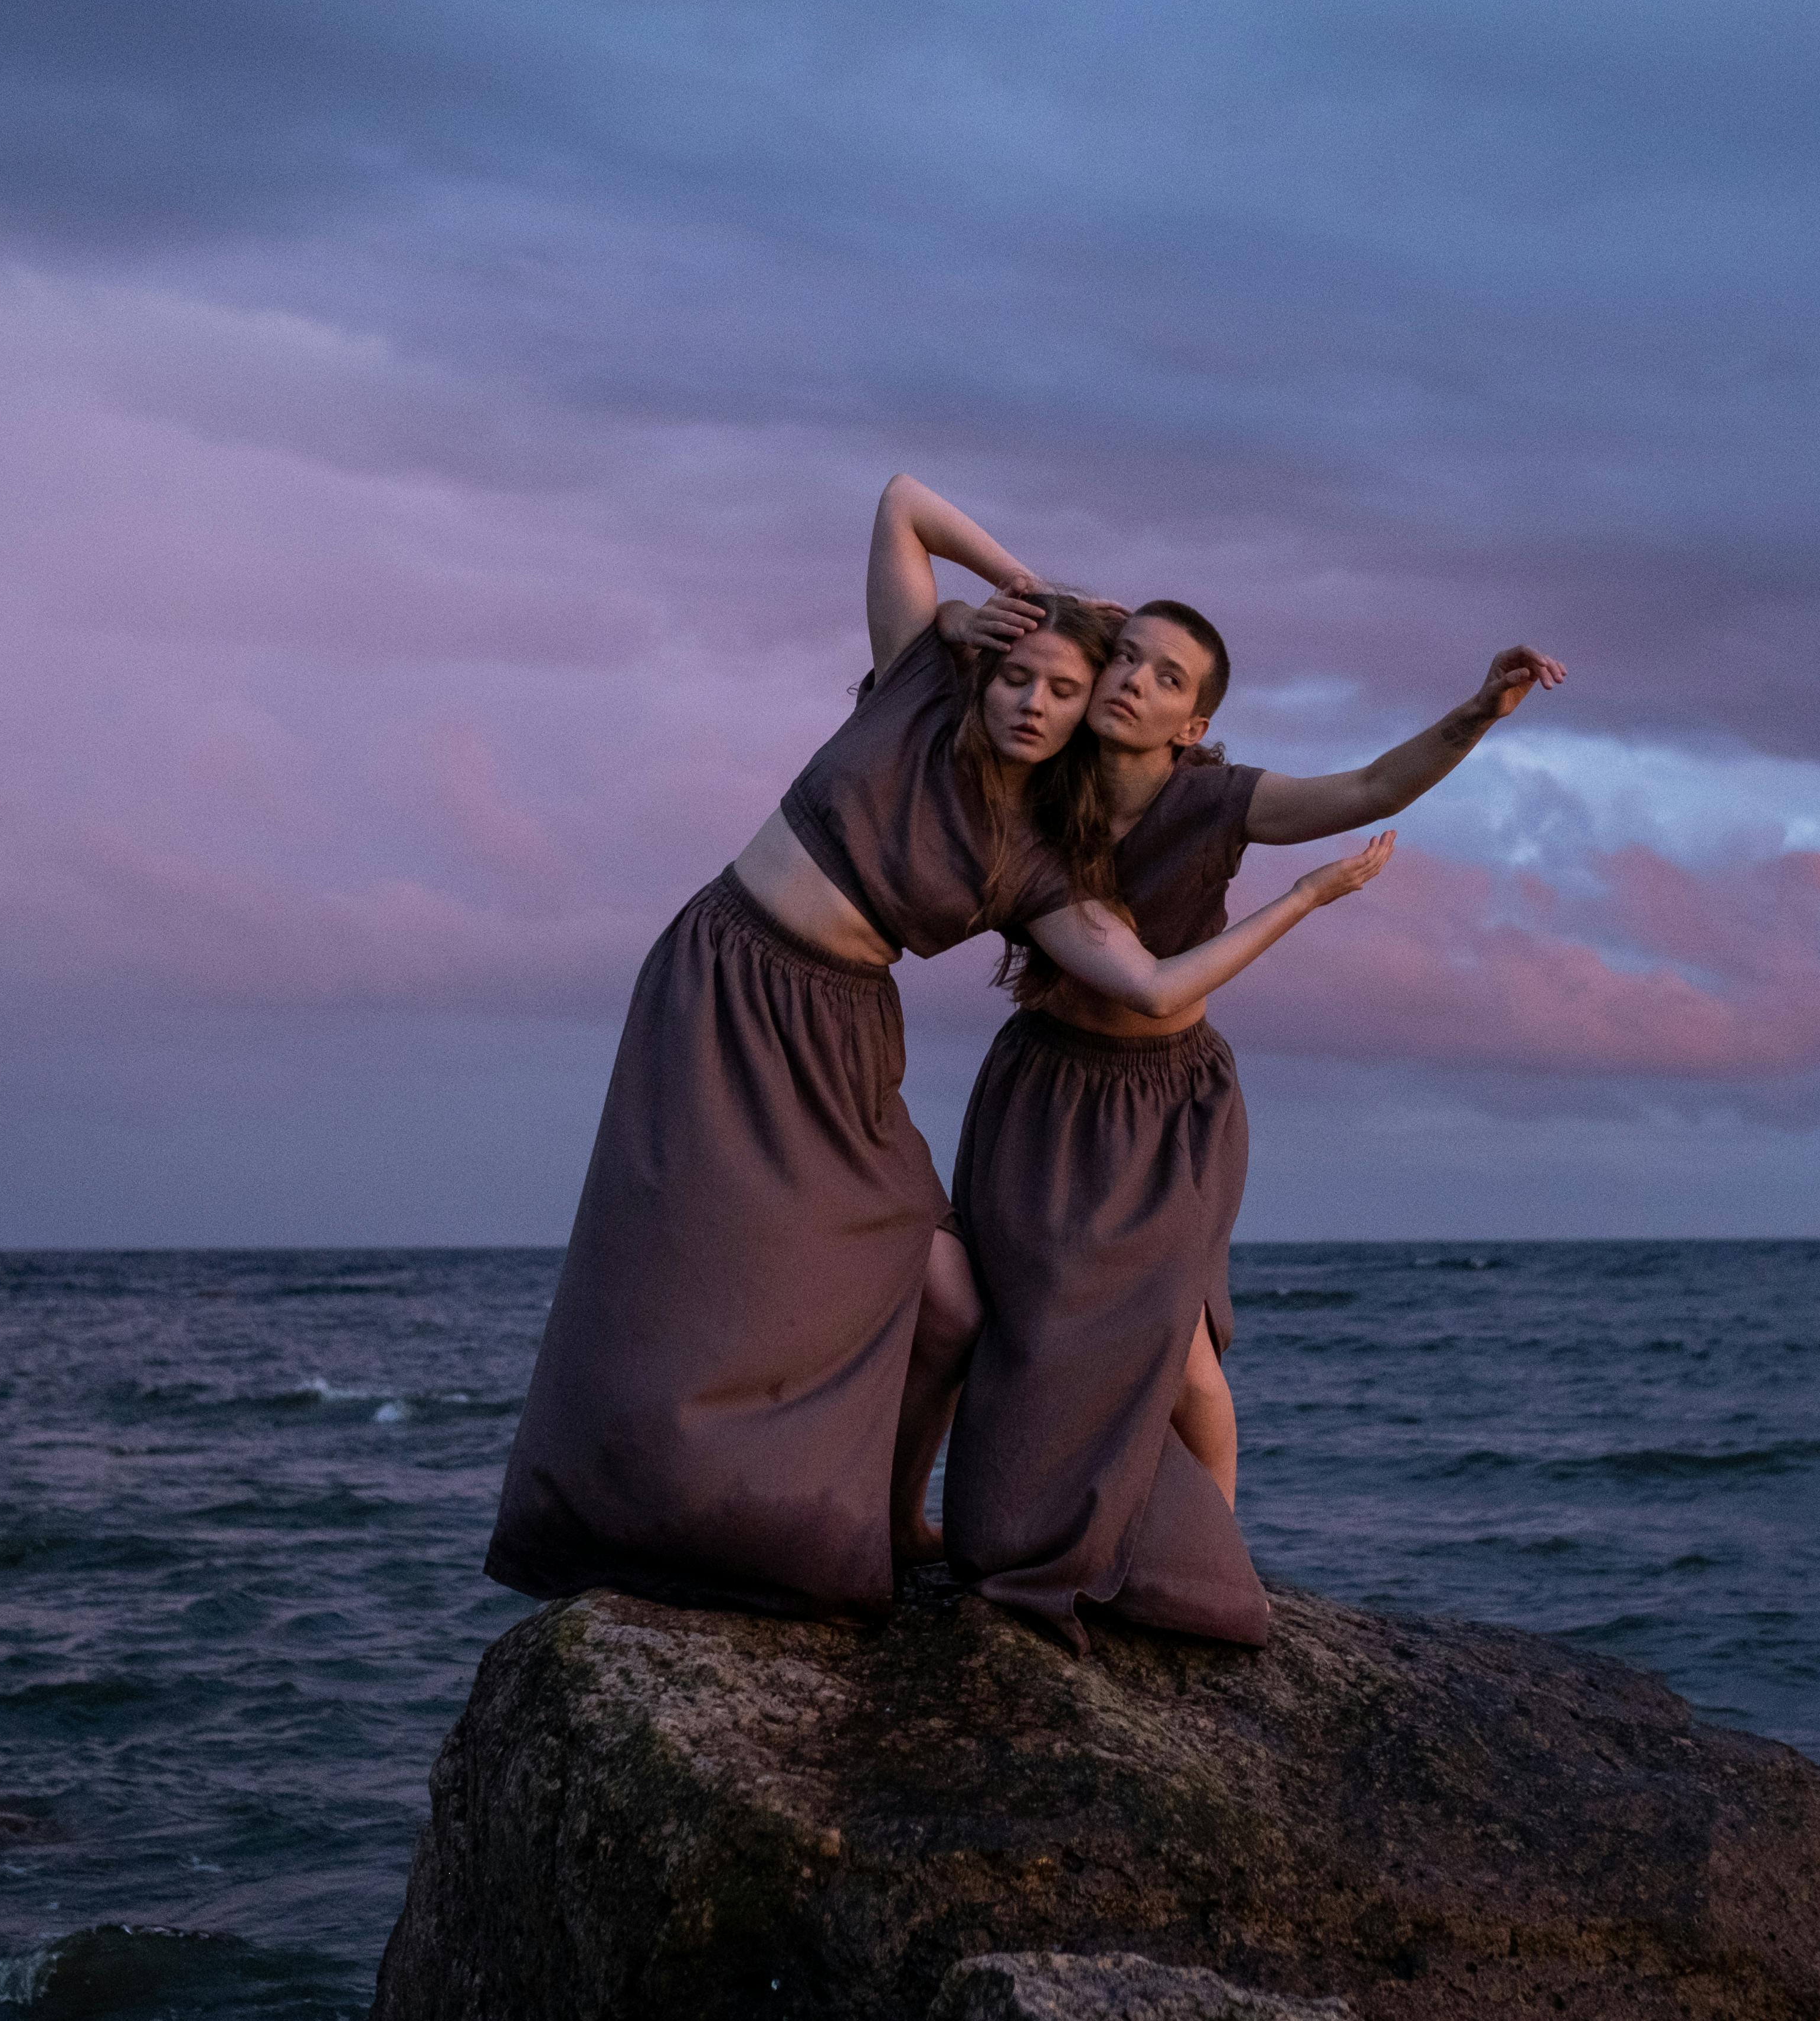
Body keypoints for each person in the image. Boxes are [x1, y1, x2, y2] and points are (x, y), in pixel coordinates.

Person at [486, 478, 1396, 1621]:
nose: (1031, 699)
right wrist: (1032, 596)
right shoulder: (918, 679)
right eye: (1020, 673)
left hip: (841, 1032)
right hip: (723, 978)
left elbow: (1157, 983)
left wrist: (1307, 895)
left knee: (956, 1303)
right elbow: (904, 505)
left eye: (1064, 690)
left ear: (1081, 720)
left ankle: (890, 1509)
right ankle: (630, 1503)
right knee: (687, 1260)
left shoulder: (1030, 859)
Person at [899, 596, 1564, 1647]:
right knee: (1013, 1319)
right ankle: (919, 1517)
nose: (1132, 683)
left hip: (1171, 1101)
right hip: (1043, 1091)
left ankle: (1210, 1552)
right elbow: (962, 665)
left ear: (1193, 725)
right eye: (1125, 660)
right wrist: (956, 619)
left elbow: (1368, 787)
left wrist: (1478, 711)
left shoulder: (1217, 801)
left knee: (1185, 1351)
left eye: (1168, 679)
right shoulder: (1035, 781)